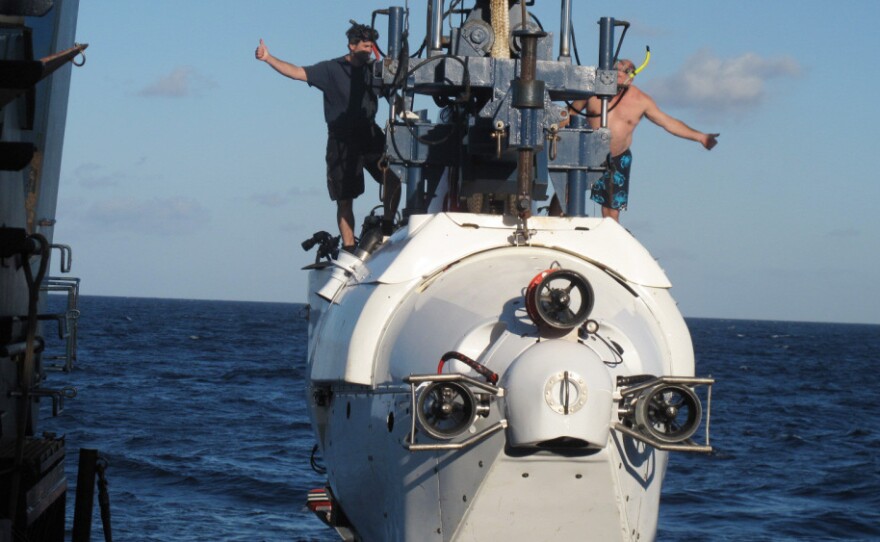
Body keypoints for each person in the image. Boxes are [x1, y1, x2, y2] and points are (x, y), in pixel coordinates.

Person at [255, 23, 401, 251]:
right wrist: (268, 58)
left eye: (372, 46)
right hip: (341, 139)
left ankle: (389, 227)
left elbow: (395, 96)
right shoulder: (332, 69)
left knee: (393, 179)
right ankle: (350, 248)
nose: (369, 51)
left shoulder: (374, 70)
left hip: (370, 135)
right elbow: (297, 73)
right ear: (352, 46)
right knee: (345, 199)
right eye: (365, 46)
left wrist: (403, 108)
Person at [569, 58, 719, 222]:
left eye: (627, 72)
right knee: (568, 193)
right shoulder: (592, 93)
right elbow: (568, 115)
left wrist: (701, 137)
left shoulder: (641, 101)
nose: (622, 75)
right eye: (618, 71)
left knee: (612, 213)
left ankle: (612, 241)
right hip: (587, 152)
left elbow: (668, 123)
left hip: (617, 157)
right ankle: (554, 224)